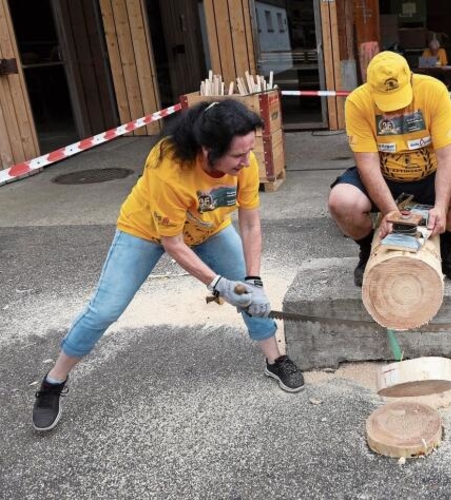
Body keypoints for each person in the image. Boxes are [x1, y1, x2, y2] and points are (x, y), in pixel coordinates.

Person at [32, 99, 305, 432]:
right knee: (105, 309)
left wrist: (253, 280)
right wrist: (219, 285)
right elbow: (172, 243)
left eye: (249, 152)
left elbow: (250, 225)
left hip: (209, 228)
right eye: (238, 155)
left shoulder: (243, 164)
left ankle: (274, 359)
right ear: (207, 149)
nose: (247, 162)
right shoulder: (168, 167)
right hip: (146, 231)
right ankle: (53, 382)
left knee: (250, 294)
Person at [328, 51, 451, 287]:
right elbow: (367, 164)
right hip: (384, 176)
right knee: (341, 202)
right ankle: (366, 251)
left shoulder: (433, 91)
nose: (393, 112)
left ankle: (446, 248)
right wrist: (391, 212)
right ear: (370, 87)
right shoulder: (357, 101)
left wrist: (442, 207)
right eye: (386, 104)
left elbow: (447, 156)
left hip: (430, 174)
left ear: (411, 79)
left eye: (399, 102)